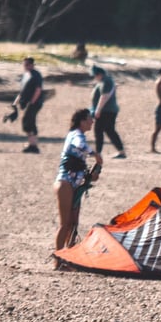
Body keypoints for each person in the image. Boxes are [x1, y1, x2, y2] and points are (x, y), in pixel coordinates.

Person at [53, 108, 103, 267]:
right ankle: (58, 258)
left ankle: (70, 258)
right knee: (64, 224)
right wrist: (94, 153)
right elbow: (79, 145)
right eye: (89, 119)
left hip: (75, 184)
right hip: (65, 183)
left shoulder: (80, 136)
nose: (92, 122)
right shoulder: (75, 135)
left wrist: (93, 174)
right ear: (82, 121)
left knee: (73, 223)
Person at [90, 65, 126, 159]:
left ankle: (98, 152)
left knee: (99, 130)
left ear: (100, 74)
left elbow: (104, 96)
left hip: (106, 111)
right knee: (110, 131)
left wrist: (98, 109)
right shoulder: (105, 81)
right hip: (107, 110)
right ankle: (121, 151)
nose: (95, 77)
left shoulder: (106, 81)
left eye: (95, 75)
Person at [12, 56, 44, 153]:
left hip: (34, 103)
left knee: (28, 121)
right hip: (28, 103)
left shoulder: (36, 75)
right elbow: (22, 91)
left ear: (32, 65)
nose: (25, 66)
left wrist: (32, 102)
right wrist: (15, 103)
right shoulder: (26, 75)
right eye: (24, 64)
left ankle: (33, 145)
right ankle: (32, 144)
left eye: (27, 64)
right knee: (28, 121)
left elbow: (38, 90)